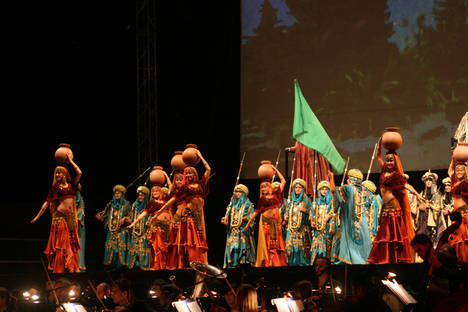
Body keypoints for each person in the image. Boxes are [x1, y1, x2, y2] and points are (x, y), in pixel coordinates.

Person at [367, 136, 423, 264]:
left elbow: (406, 186)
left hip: (394, 209)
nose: (389, 162)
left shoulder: (396, 175)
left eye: (391, 160)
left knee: (393, 237)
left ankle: (395, 260)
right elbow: (378, 157)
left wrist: (418, 195)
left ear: (395, 161)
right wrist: (380, 143)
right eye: (388, 160)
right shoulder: (383, 170)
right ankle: (384, 259)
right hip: (385, 209)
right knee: (384, 236)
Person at [159, 150, 211, 267]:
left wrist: (200, 155)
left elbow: (208, 169)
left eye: (189, 173)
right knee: (190, 241)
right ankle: (188, 263)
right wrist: (160, 210)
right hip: (189, 216)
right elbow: (173, 199)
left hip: (199, 215)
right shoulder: (185, 188)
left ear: (194, 173)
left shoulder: (201, 184)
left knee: (199, 239)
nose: (188, 175)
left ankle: (198, 263)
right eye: (186, 173)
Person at [31, 153, 82, 273]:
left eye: (59, 172)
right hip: (60, 218)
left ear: (65, 174)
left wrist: (70, 161)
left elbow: (79, 172)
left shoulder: (72, 185)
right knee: (63, 243)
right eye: (56, 173)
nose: (57, 174)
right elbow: (46, 204)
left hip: (70, 218)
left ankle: (70, 266)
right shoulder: (55, 187)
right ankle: (62, 267)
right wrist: (37, 217)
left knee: (71, 242)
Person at [245, 164, 288, 267]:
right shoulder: (262, 200)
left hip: (276, 224)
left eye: (265, 187)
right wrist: (248, 224)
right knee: (269, 246)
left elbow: (283, 181)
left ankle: (278, 263)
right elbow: (255, 213)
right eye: (262, 187)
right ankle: (269, 263)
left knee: (277, 245)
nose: (263, 189)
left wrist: (275, 169)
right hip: (267, 225)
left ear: (270, 186)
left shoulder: (277, 194)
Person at [331, 169, 372, 264]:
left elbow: (334, 191)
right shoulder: (361, 191)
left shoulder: (348, 189)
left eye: (348, 179)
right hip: (361, 225)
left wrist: (331, 177)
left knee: (352, 250)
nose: (347, 181)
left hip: (350, 224)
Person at [411, 233, 460, 310]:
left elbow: (457, 278)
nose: (418, 255)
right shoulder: (425, 264)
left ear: (427, 246)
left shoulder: (443, 257)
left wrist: (439, 266)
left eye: (419, 250)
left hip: (447, 305)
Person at [129, 185, 171, 270]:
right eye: (153, 191)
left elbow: (171, 189)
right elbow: (143, 214)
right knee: (158, 247)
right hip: (157, 227)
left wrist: (165, 175)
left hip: (167, 227)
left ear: (161, 192)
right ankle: (158, 266)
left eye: (157, 191)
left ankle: (165, 265)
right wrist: (133, 223)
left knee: (166, 247)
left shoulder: (165, 201)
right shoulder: (152, 202)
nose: (155, 193)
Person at [96, 185, 132, 269]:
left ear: (122, 194)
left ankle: (121, 267)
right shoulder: (110, 204)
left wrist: (126, 218)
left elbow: (131, 217)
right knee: (110, 248)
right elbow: (104, 214)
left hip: (121, 231)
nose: (117, 195)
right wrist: (100, 216)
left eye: (119, 193)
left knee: (120, 248)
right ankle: (110, 266)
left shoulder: (127, 205)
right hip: (111, 231)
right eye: (116, 193)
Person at [221, 184, 256, 268]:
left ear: (244, 193)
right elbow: (228, 220)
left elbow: (252, 218)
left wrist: (245, 218)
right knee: (233, 251)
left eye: (240, 192)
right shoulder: (231, 206)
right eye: (236, 192)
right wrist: (225, 221)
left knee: (241, 250)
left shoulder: (249, 205)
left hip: (242, 232)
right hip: (232, 233)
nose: (238, 194)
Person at [284, 178, 313, 266]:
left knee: (301, 250)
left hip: (301, 230)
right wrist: (286, 217)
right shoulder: (290, 201)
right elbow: (287, 213)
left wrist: (305, 210)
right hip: (291, 230)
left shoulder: (307, 201)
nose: (298, 189)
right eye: (296, 188)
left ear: (303, 189)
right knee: (291, 249)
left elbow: (312, 215)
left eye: (300, 188)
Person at [414, 171, 446, 247]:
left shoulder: (437, 195)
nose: (428, 182)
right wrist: (420, 208)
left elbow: (438, 208)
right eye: (427, 180)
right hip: (423, 220)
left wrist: (430, 206)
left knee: (433, 240)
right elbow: (417, 206)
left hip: (433, 221)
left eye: (430, 180)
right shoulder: (421, 194)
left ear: (433, 182)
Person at [447, 155, 468, 262]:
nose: (459, 172)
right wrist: (453, 159)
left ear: (465, 171)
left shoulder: (467, 183)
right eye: (457, 170)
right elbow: (450, 171)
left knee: (464, 240)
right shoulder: (454, 182)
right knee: (457, 241)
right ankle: (460, 261)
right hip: (456, 217)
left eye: (461, 170)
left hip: (465, 216)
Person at [311, 179, 336, 263]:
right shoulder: (316, 202)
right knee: (316, 250)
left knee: (326, 251)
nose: (324, 191)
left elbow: (334, 214)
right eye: (322, 189)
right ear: (319, 190)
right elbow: (312, 214)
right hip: (317, 231)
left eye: (326, 189)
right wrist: (312, 221)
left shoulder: (331, 202)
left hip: (327, 230)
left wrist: (330, 218)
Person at [126, 185, 151, 270]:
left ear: (146, 196)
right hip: (135, 232)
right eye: (139, 195)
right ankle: (133, 266)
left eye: (142, 195)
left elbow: (151, 217)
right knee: (133, 249)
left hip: (144, 232)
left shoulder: (149, 206)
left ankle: (143, 266)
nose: (140, 197)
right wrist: (128, 219)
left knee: (143, 249)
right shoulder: (134, 205)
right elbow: (131, 216)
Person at [76, 184, 87, 272]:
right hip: (68, 226)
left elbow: (80, 213)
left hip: (78, 228)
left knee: (78, 245)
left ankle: (78, 265)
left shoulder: (80, 199)